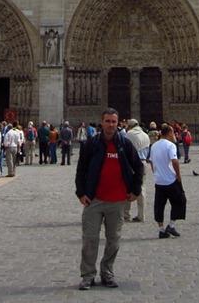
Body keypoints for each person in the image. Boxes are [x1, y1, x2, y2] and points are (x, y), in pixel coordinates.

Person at [75, 108, 143, 290]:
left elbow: (139, 167)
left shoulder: (125, 144)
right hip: (94, 200)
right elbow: (81, 169)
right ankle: (88, 275)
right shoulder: (91, 143)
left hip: (117, 200)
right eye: (107, 121)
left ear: (118, 123)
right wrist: (81, 193)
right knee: (90, 239)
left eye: (114, 121)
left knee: (114, 240)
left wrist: (135, 190)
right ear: (102, 122)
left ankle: (107, 272)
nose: (111, 124)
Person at [150, 124, 187, 239]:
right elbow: (175, 161)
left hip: (159, 180)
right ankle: (171, 225)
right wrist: (178, 175)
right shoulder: (170, 145)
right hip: (170, 180)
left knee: (159, 205)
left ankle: (161, 230)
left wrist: (156, 173)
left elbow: (151, 162)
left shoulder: (154, 146)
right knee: (180, 201)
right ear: (170, 133)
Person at [124, 119, 150, 223]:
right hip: (143, 163)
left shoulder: (129, 134)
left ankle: (126, 215)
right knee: (141, 189)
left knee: (127, 188)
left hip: (131, 164)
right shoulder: (145, 135)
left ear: (129, 126)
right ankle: (141, 215)